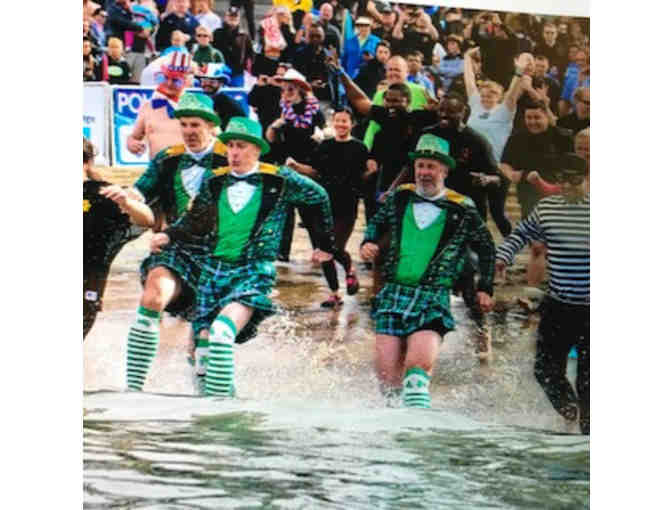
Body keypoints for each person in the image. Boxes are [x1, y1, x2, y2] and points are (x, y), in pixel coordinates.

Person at [153, 117, 335, 395]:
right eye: (231, 146)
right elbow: (195, 219)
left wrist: (325, 244)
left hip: (253, 271)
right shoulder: (214, 180)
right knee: (200, 352)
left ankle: (224, 409)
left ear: (257, 150)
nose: (234, 153)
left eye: (241, 146)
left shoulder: (279, 179)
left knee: (221, 333)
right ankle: (213, 405)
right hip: (212, 273)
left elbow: (319, 196)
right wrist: (169, 235)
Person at [360, 134, 495, 408]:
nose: (424, 172)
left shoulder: (462, 206)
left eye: (431, 167)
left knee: (416, 377)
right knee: (387, 380)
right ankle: (392, 428)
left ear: (444, 170)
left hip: (432, 296)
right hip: (393, 294)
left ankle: (417, 431)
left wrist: (485, 287)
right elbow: (375, 224)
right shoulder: (400, 196)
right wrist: (368, 243)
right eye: (420, 166)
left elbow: (486, 248)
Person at [124, 92, 230, 387]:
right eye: (183, 125)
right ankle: (132, 390)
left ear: (211, 126)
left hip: (220, 254)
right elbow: (140, 190)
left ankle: (208, 398)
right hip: (176, 246)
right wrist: (127, 197)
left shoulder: (230, 156)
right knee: (154, 293)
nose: (188, 131)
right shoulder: (168, 158)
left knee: (203, 339)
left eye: (195, 125)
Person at [495, 152, 589, 435]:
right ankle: (571, 414)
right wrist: (502, 257)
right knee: (545, 370)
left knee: (590, 381)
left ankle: (588, 434)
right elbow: (520, 234)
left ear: (586, 179)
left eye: (574, 181)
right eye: (563, 180)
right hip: (558, 305)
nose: (568, 186)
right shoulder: (547, 208)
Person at [285, 106, 368, 306]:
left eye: (344, 121)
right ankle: (334, 293)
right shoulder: (325, 146)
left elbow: (365, 175)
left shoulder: (360, 148)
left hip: (347, 205)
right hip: (323, 205)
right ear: (333, 123)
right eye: (337, 120)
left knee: (335, 247)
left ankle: (349, 269)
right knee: (323, 250)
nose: (340, 124)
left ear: (352, 124)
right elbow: (314, 171)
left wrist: (368, 180)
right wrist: (296, 166)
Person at [499, 101, 573, 286]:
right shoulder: (517, 137)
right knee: (537, 245)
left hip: (561, 196)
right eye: (528, 118)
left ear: (547, 116)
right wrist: (511, 174)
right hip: (529, 195)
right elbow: (505, 163)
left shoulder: (563, 136)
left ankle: (560, 279)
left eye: (537, 117)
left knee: (559, 244)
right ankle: (535, 287)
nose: (532, 122)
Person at [84, 138, 148, 338]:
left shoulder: (102, 194)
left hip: (87, 285)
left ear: (86, 163)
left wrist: (128, 203)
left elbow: (147, 220)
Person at [463, 46, 530, 237]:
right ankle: (481, 248)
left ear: (499, 96)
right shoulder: (475, 105)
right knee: (477, 211)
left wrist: (519, 71)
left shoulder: (504, 111)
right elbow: (469, 81)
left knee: (497, 212)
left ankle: (510, 245)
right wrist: (467, 58)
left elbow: (513, 90)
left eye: (491, 93)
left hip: (497, 168)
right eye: (484, 93)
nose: (486, 96)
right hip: (474, 165)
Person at [127, 52, 192, 159]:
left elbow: (216, 139)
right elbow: (134, 137)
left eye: (176, 80)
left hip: (188, 167)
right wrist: (131, 144)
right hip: (156, 167)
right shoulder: (148, 107)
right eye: (165, 78)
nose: (169, 83)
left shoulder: (196, 107)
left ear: (187, 82)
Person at [213, 6, 255, 88]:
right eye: (230, 16)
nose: (233, 18)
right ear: (225, 17)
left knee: (237, 94)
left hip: (237, 73)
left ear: (239, 18)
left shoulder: (244, 35)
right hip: (221, 72)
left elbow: (251, 54)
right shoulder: (217, 33)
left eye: (235, 16)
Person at [195, 63, 245, 130]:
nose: (207, 85)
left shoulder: (229, 104)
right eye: (204, 81)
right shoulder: (199, 101)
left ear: (221, 83)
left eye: (212, 82)